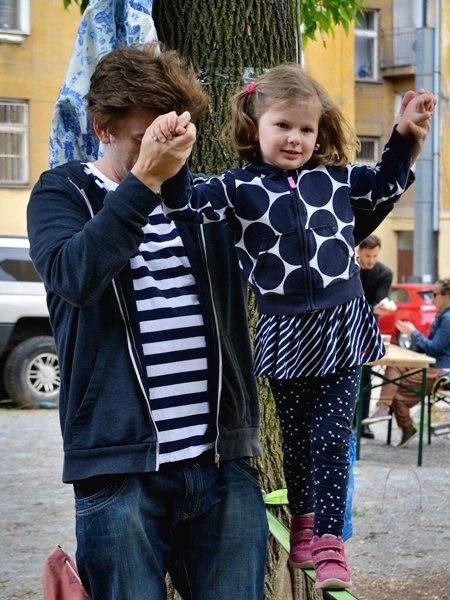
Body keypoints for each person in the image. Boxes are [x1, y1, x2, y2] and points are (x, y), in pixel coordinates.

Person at [27, 45, 399, 600]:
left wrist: (402, 147)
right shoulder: (66, 192)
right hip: (122, 468)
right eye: (142, 140)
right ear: (102, 128)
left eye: (171, 138)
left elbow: (319, 221)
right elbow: (75, 276)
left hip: (224, 466)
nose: (161, 153)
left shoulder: (204, 202)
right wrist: (142, 183)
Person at [159, 63, 435, 590]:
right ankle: (305, 525)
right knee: (298, 441)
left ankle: (331, 541)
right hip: (284, 333)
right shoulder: (237, 188)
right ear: (255, 124)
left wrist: (403, 135)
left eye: (306, 129)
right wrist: (174, 159)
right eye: (283, 125)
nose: (295, 138)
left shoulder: (333, 179)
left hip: (340, 326)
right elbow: (186, 205)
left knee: (332, 437)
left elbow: (386, 184)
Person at [371, 277, 450, 448]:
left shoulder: (449, 319)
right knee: (394, 367)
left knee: (395, 388)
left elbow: (433, 348)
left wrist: (413, 333)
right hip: (432, 365)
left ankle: (406, 426)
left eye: (434, 294)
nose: (431, 297)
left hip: (443, 372)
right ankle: (383, 407)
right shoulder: (446, 315)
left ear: (446, 297)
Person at [357, 234, 395, 434]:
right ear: (359, 252)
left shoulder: (384, 273)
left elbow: (380, 301)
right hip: (347, 327)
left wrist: (376, 309)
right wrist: (372, 309)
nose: (371, 260)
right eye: (367, 256)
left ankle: (362, 423)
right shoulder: (351, 269)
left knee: (367, 375)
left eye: (374, 256)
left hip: (369, 329)